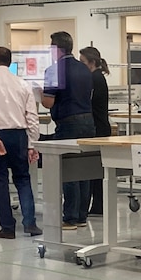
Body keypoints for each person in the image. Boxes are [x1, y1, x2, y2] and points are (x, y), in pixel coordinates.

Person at [0, 46, 42, 239]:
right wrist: (32, 144)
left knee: (0, 182)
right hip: (19, 136)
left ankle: (7, 227)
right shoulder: (23, 84)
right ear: (10, 62)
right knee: (23, 179)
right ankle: (30, 223)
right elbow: (32, 116)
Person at [41, 31, 95, 230]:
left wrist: (38, 92)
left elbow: (48, 102)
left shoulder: (54, 70)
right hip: (88, 122)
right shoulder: (84, 69)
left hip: (68, 123)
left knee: (69, 170)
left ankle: (70, 217)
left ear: (55, 49)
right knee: (84, 170)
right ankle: (81, 216)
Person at [79, 46, 111, 216]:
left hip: (98, 129)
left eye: (83, 62)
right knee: (97, 170)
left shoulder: (94, 79)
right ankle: (97, 205)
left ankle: (97, 205)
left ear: (91, 62)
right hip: (101, 126)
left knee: (95, 170)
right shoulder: (97, 77)